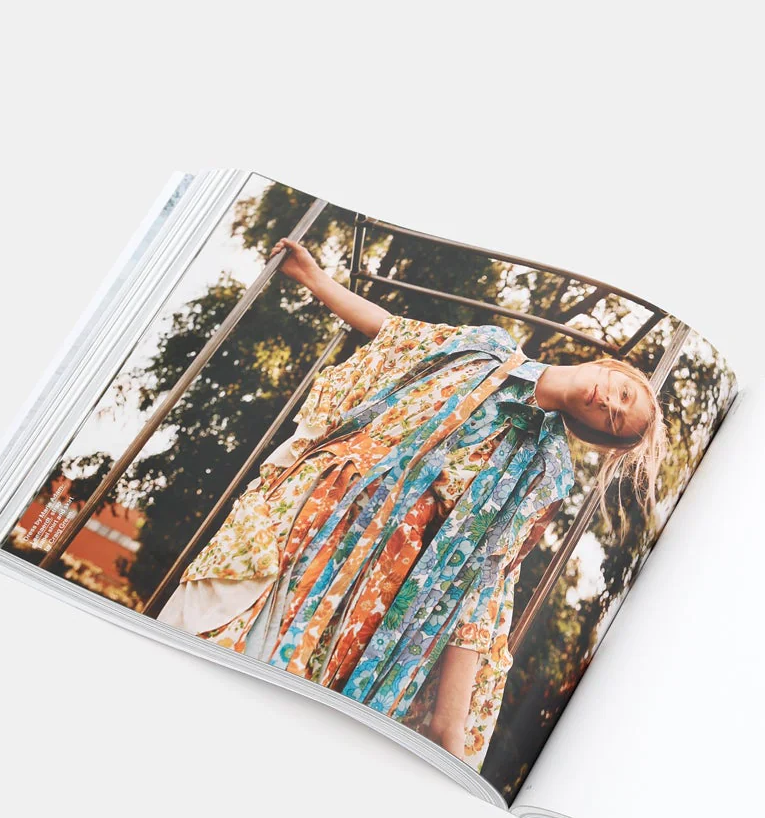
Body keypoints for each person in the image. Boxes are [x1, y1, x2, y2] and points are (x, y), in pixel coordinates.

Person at [157, 239, 667, 768]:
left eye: (612, 420)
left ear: (593, 432)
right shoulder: (485, 347)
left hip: (370, 577)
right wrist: (313, 277)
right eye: (622, 395)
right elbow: (394, 332)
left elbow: (484, 579)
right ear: (615, 369)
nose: (608, 403)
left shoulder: (544, 469)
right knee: (210, 626)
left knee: (274, 691)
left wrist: (452, 726)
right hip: (311, 507)